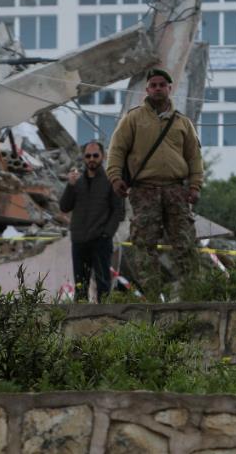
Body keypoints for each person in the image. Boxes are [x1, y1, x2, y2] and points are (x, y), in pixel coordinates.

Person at [106, 68, 204, 298]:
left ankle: (194, 295)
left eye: (162, 85)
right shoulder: (133, 119)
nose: (158, 88)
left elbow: (194, 157)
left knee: (185, 243)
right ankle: (152, 297)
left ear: (170, 88)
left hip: (176, 190)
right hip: (144, 190)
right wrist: (115, 177)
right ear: (147, 89)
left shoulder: (182, 123)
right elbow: (117, 150)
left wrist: (195, 186)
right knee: (144, 245)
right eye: (153, 85)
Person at [61, 140, 125, 301]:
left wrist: (106, 234)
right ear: (83, 158)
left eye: (95, 155)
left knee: (103, 286)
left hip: (100, 241)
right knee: (80, 287)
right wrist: (70, 186)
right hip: (79, 242)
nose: (91, 159)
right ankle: (80, 317)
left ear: (103, 156)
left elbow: (118, 212)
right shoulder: (77, 181)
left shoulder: (111, 181)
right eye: (88, 156)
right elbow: (64, 207)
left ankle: (104, 316)